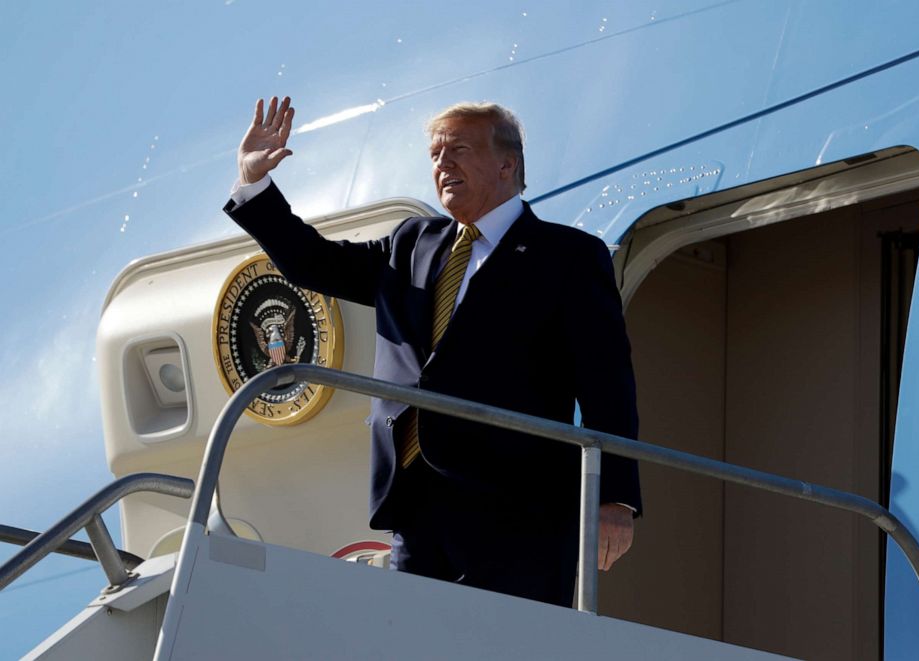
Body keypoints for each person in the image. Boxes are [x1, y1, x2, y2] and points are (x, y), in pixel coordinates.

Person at [225, 96, 641, 607]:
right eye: (435, 155)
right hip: (415, 502)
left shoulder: (569, 257)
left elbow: (606, 382)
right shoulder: (413, 241)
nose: (442, 165)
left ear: (507, 163)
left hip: (517, 507)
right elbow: (317, 264)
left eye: (459, 150)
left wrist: (615, 496)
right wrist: (255, 185)